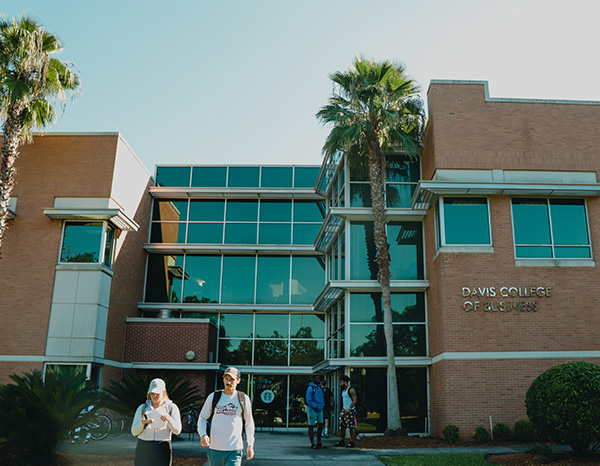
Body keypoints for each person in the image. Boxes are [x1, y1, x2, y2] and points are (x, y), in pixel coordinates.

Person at [198, 367, 255, 466]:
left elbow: (249, 423)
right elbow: (202, 418)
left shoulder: (243, 399)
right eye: (226, 379)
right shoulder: (214, 397)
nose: (229, 382)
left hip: (235, 449)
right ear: (223, 379)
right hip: (215, 449)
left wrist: (250, 444)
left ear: (238, 381)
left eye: (232, 379)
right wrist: (203, 434)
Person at [131, 378, 182, 466]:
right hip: (144, 445)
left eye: (157, 394)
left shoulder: (172, 408)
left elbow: (177, 431)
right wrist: (142, 423)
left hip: (163, 445)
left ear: (164, 392)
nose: (154, 396)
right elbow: (134, 432)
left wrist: (169, 420)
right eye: (152, 393)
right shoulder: (142, 408)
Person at [335, 375, 357, 448]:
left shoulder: (351, 390)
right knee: (342, 426)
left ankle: (352, 441)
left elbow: (354, 400)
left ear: (345, 382)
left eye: (341, 382)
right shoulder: (343, 390)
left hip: (350, 411)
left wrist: (349, 408)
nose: (340, 384)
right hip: (344, 410)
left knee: (351, 427)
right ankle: (342, 440)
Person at [305, 374, 325, 449]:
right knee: (311, 425)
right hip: (312, 409)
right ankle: (312, 443)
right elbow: (308, 400)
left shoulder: (320, 388)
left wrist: (321, 405)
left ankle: (319, 442)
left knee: (320, 424)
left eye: (319, 378)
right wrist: (315, 406)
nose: (318, 380)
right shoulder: (310, 388)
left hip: (320, 409)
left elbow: (322, 398)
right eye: (317, 378)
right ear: (313, 380)